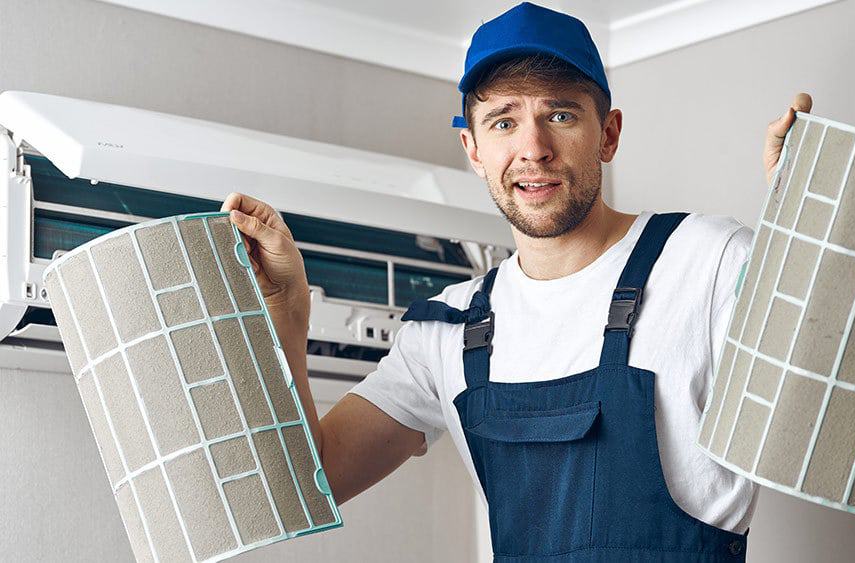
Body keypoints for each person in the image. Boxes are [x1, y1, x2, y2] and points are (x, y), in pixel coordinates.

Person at [222, 3, 812, 560]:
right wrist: (286, 310)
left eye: (559, 114)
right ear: (473, 148)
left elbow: (837, 392)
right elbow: (307, 485)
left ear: (608, 134)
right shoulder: (445, 332)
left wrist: (809, 228)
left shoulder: (706, 262)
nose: (533, 148)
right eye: (504, 121)